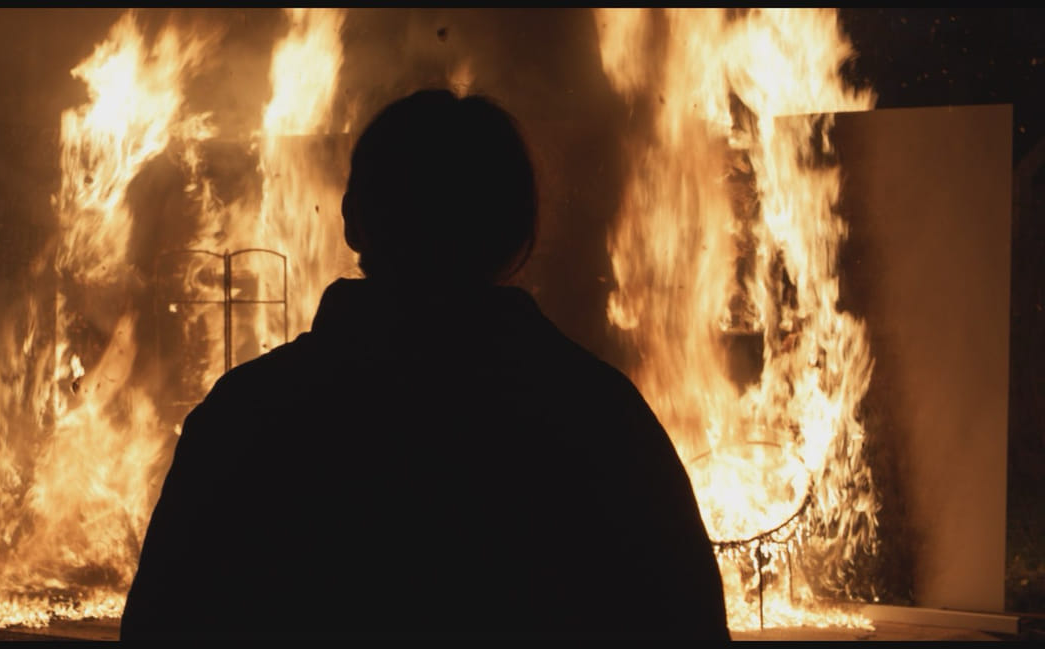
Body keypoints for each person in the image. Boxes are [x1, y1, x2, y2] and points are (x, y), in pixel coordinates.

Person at [120, 89, 729, 640]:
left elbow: (160, 624)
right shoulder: (602, 418)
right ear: (520, 231)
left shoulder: (246, 414)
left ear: (352, 222)